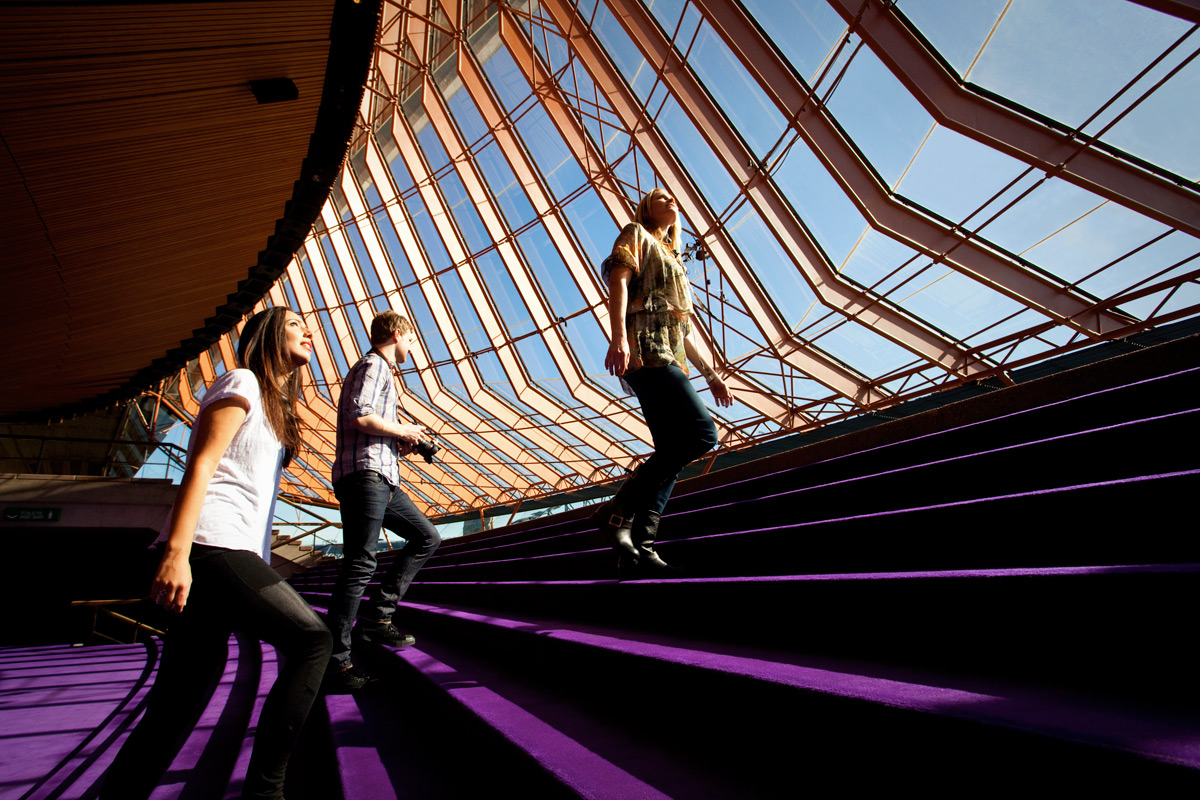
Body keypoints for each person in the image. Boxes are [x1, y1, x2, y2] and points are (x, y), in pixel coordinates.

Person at [102, 306, 331, 800]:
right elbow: (201, 465)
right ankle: (266, 790)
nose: (308, 333)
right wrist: (176, 553)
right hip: (211, 545)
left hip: (228, 548)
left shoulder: (274, 406)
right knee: (313, 640)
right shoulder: (242, 381)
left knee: (177, 704)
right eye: (295, 325)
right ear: (267, 334)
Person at [596, 188, 733, 576]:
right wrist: (618, 337)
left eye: (674, 198)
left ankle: (640, 546)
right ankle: (618, 510)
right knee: (704, 435)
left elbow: (682, 327)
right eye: (661, 197)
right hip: (646, 350)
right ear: (645, 208)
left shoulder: (674, 257)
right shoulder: (635, 233)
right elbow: (619, 283)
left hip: (669, 351)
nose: (672, 201)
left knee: (671, 453)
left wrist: (712, 375)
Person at [322, 310, 441, 692]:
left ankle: (377, 616)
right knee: (360, 562)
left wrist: (400, 443)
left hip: (381, 475)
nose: (413, 345)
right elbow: (360, 416)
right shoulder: (374, 364)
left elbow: (370, 427)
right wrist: (406, 428)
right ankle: (334, 663)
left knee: (427, 537)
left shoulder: (382, 372)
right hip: (365, 477)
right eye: (411, 338)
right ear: (396, 333)